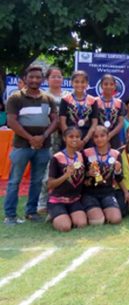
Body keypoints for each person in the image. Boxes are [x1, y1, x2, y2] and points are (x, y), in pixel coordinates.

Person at [4, 66, 59, 225]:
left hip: (43, 147)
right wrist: (31, 138)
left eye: (38, 77)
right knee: (15, 180)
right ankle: (10, 215)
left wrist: (43, 136)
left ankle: (31, 212)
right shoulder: (15, 98)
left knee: (37, 181)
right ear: (25, 79)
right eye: (31, 77)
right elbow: (11, 122)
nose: (34, 80)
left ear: (42, 79)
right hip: (22, 146)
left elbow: (55, 120)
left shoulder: (47, 99)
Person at [47, 127, 88, 232]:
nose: (74, 139)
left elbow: (83, 176)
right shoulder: (56, 158)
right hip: (57, 200)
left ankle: (67, 215)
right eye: (71, 136)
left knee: (82, 224)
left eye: (77, 137)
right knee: (65, 227)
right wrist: (65, 176)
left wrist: (90, 174)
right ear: (64, 138)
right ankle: (54, 214)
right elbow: (50, 185)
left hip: (74, 200)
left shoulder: (81, 155)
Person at [39, 67, 68, 215]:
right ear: (47, 79)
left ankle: (59, 199)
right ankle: (42, 202)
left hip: (65, 137)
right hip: (48, 137)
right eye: (53, 76)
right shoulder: (43, 96)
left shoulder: (68, 96)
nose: (57, 79)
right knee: (47, 170)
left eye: (59, 76)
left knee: (63, 168)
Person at [81, 126, 123, 225]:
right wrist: (87, 173)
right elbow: (79, 176)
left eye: (102, 136)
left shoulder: (116, 154)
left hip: (107, 192)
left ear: (108, 136)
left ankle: (103, 210)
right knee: (97, 222)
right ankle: (92, 211)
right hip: (89, 193)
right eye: (96, 137)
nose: (99, 139)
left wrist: (118, 170)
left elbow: (119, 178)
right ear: (93, 139)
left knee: (115, 220)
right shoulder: (86, 153)